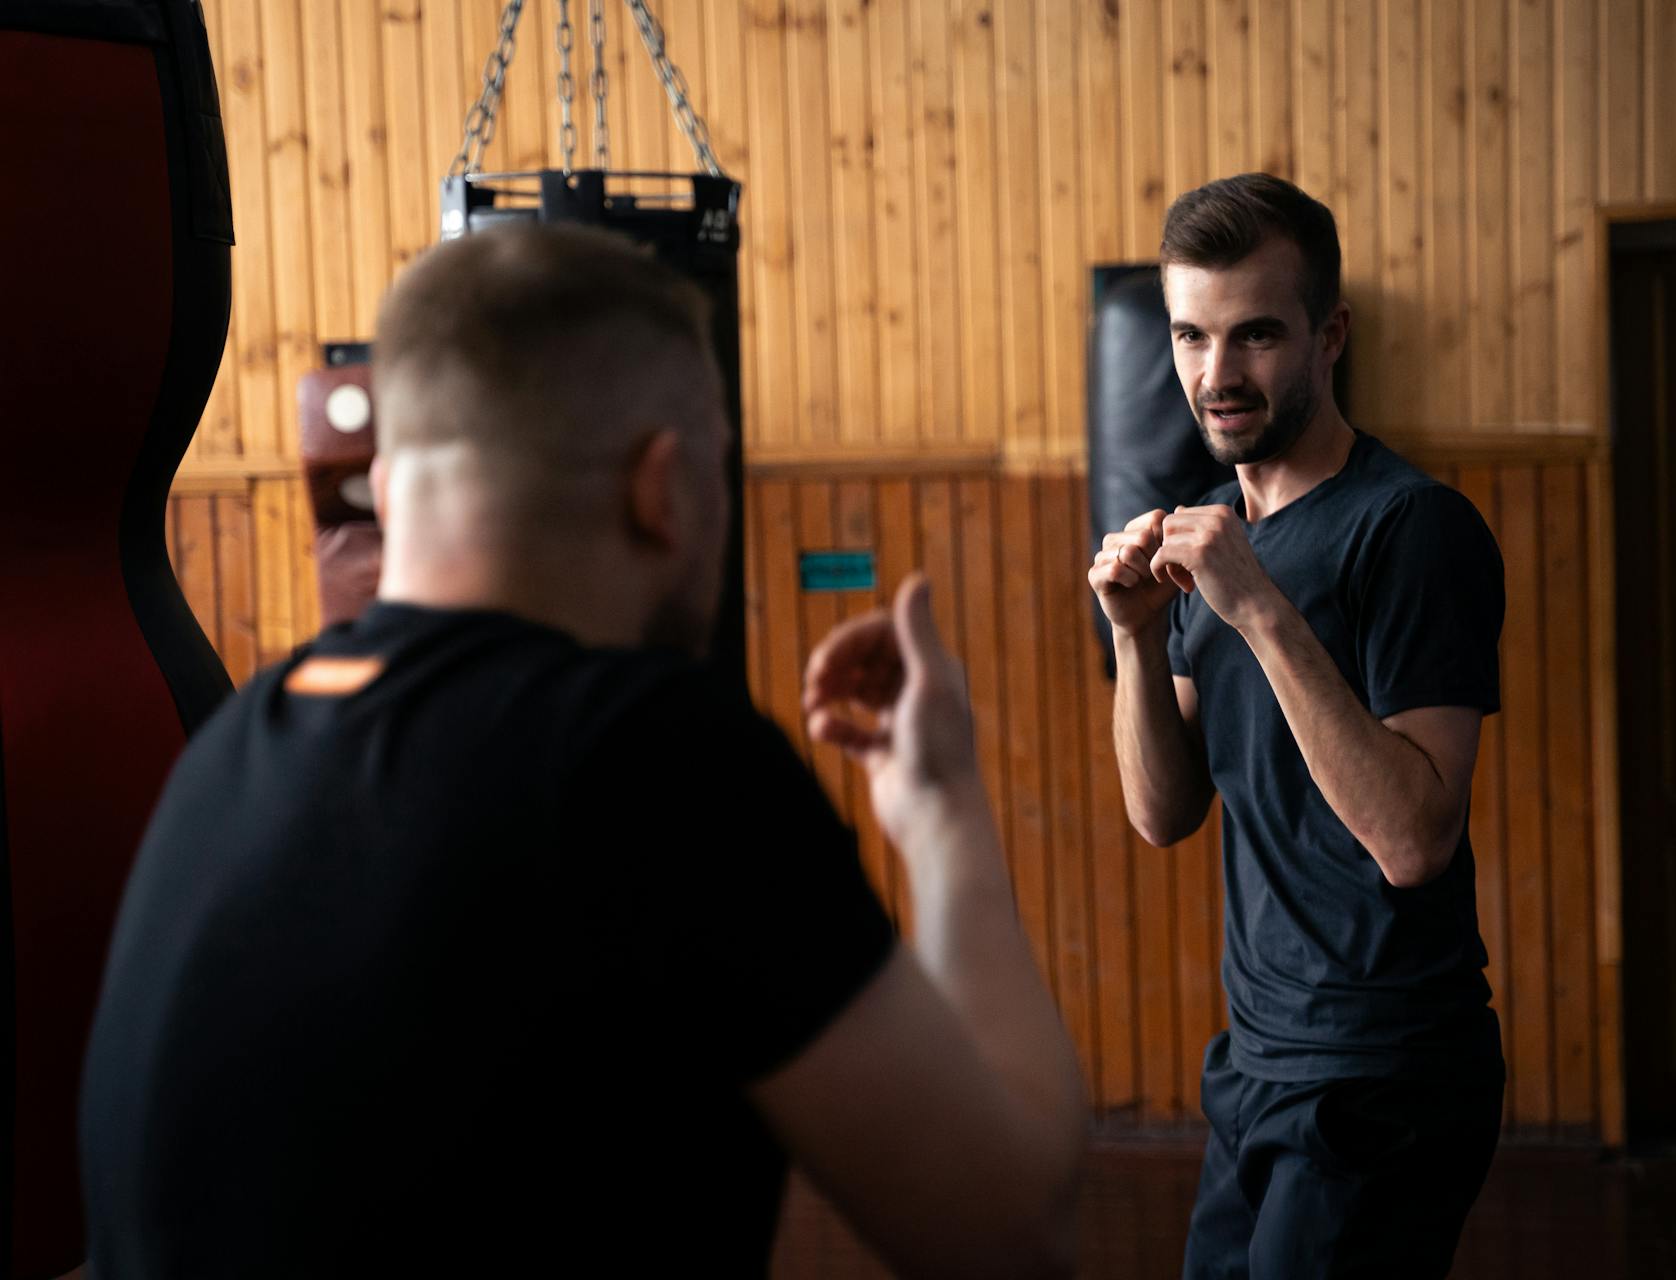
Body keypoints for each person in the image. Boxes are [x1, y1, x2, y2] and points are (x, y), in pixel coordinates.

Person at [81, 223, 1086, 1279]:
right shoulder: (651, 756)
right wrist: (943, 804)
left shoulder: (235, 742)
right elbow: (1013, 1231)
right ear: (664, 485)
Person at [1088, 174, 1507, 1278]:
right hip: (1259, 1062)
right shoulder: (1217, 534)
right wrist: (1134, 637)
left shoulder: (1411, 527)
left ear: (1330, 336)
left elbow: (1415, 838)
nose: (1216, 375)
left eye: (1256, 335)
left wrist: (1261, 607)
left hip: (1384, 1070)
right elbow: (1162, 812)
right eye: (1191, 335)